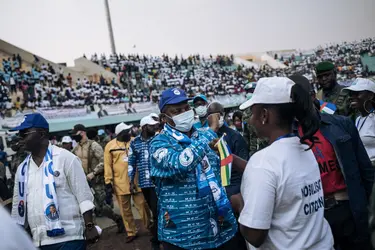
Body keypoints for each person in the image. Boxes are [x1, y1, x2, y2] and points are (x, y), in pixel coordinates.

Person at [238, 77, 334, 249]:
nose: (251, 120)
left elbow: (255, 235)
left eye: (253, 113)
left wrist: (238, 203)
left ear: (264, 115)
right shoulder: (305, 149)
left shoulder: (263, 161)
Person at [290, 74, 374, 250]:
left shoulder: (342, 125)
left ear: (313, 96)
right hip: (314, 217)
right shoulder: (288, 139)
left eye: (300, 96)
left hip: (348, 210)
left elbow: (366, 172)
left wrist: (364, 209)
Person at [150, 88, 237, 250]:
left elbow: (220, 174)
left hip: (219, 230)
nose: (184, 113)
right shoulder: (158, 143)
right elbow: (180, 163)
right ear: (164, 118)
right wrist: (210, 131)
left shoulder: (202, 136)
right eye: (177, 111)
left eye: (186, 108)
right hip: (183, 237)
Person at [10, 113, 99, 249]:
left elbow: (83, 195)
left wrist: (89, 225)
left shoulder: (65, 158)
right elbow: (18, 206)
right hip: (38, 241)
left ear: (41, 134)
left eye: (25, 133)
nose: (20, 138)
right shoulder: (22, 169)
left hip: (69, 238)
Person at [70, 124, 124, 233]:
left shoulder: (94, 145)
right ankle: (93, 230)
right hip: (84, 183)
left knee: (101, 207)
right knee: (87, 207)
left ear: (82, 133)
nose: (74, 137)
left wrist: (94, 173)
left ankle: (117, 218)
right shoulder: (75, 149)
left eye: (75, 134)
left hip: (96, 181)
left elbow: (104, 161)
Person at [104, 122, 150, 243]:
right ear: (119, 134)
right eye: (126, 132)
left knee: (143, 206)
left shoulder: (136, 141)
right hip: (120, 183)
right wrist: (108, 181)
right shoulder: (110, 146)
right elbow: (107, 165)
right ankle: (131, 232)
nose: (129, 133)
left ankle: (150, 227)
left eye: (129, 131)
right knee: (125, 210)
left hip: (137, 181)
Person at [128, 115, 161, 250]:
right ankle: (157, 237)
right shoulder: (134, 143)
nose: (155, 127)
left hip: (159, 182)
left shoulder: (159, 139)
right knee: (155, 211)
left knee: (158, 210)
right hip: (145, 184)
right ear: (144, 127)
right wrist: (130, 181)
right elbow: (131, 163)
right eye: (152, 125)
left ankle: (157, 239)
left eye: (155, 125)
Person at [343, 78, 375, 166]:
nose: (352, 97)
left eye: (357, 93)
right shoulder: (358, 119)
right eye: (351, 94)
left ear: (370, 95)